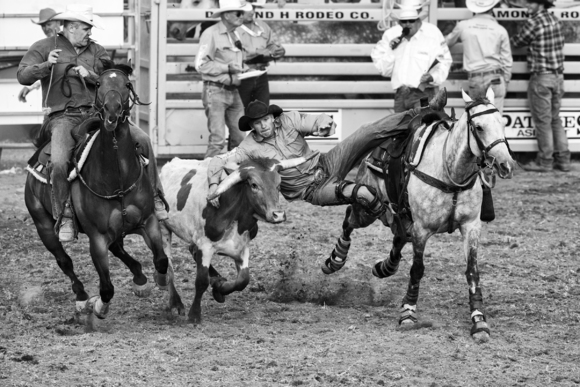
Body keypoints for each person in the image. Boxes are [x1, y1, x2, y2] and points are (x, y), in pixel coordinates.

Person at [206, 93, 447, 273]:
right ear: (252, 126)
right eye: (258, 123)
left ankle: (420, 114)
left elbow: (314, 119)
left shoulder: (288, 119)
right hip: (311, 188)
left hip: (327, 163)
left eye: (266, 119)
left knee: (366, 132)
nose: (264, 125)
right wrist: (213, 186)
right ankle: (395, 225)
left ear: (272, 117)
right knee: (362, 193)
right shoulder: (249, 147)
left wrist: (324, 124)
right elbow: (218, 161)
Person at [17, 4, 168, 242]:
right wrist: (46, 65)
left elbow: (113, 80)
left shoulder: (97, 50)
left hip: (97, 114)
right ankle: (65, 214)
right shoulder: (43, 47)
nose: (89, 33)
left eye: (89, 29)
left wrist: (91, 75)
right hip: (63, 117)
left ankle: (156, 196)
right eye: (86, 29)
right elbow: (22, 76)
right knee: (58, 161)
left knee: (143, 140)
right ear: (71, 28)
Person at [511, 0, 569, 172]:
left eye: (530, 3)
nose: (527, 6)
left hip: (542, 77)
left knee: (543, 122)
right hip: (558, 77)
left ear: (540, 4)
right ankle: (564, 159)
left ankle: (545, 161)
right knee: (555, 119)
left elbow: (517, 42)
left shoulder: (533, 23)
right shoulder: (555, 20)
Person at [371, 0, 452, 112]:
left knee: (424, 127)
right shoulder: (391, 35)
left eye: (411, 20)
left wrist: (433, 77)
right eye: (404, 21)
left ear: (418, 21)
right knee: (399, 129)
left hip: (424, 93)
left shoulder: (432, 33)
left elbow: (445, 61)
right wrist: (391, 50)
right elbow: (384, 70)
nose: (408, 24)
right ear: (399, 22)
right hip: (401, 94)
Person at [195, 0, 252, 159]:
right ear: (226, 15)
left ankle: (231, 177)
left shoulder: (236, 34)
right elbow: (200, 65)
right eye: (238, 13)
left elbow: (236, 62)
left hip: (234, 91)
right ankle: (206, 178)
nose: (242, 16)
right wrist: (227, 68)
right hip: (215, 90)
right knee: (218, 140)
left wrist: (245, 69)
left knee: (240, 139)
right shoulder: (211, 33)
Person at [445, 0, 512, 113]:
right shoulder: (500, 30)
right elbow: (507, 60)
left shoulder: (463, 25)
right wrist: (506, 80)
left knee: (476, 118)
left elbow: (447, 42)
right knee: (495, 119)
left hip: (475, 77)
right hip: (495, 76)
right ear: (491, 9)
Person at [237, 0, 285, 108]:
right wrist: (257, 54)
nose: (252, 12)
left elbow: (270, 44)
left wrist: (277, 51)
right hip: (242, 77)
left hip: (261, 75)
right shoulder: (233, 29)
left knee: (262, 112)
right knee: (241, 114)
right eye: (249, 9)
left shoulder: (262, 25)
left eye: (254, 8)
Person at [18, 8, 62, 103]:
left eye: (49, 24)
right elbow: (44, 72)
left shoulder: (70, 42)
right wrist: (30, 87)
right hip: (54, 103)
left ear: (58, 22)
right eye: (43, 26)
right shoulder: (43, 48)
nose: (46, 28)